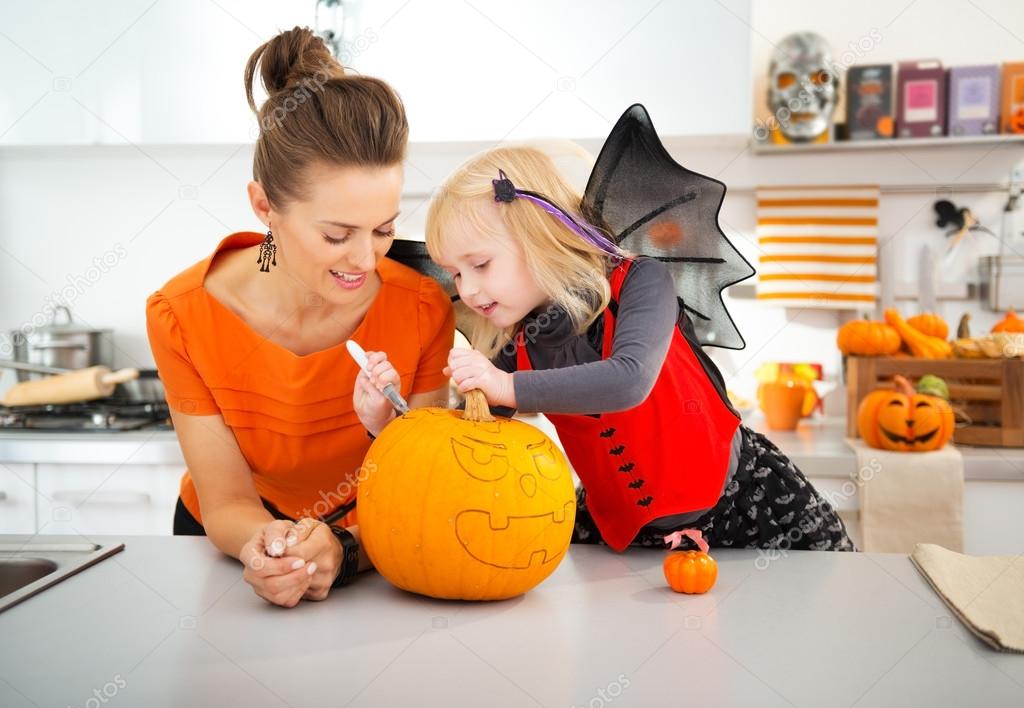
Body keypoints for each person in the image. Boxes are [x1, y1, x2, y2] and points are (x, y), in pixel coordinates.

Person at [145, 27, 454, 607]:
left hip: (379, 547)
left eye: (384, 229)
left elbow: (418, 480)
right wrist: (267, 547)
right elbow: (227, 500)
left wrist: (345, 547)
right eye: (337, 234)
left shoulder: (421, 308)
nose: (365, 259)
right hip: (230, 550)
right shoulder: (182, 315)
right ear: (264, 206)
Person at [419, 144, 855, 553]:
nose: (468, 290)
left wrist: (505, 385)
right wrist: (392, 420)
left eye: (479, 264)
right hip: (625, 532)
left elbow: (628, 378)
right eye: (455, 275)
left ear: (541, 237)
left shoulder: (641, 282)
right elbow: (469, 439)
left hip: (744, 506)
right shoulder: (519, 340)